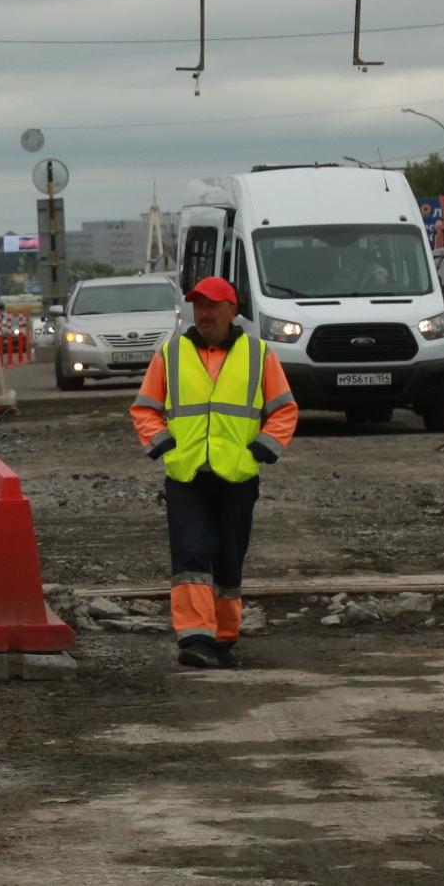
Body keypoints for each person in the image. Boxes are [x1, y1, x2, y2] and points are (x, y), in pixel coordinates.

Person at [129, 276, 296, 669]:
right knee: (190, 553)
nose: (203, 314)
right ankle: (195, 637)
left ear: (232, 309)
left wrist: (263, 449)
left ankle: (222, 636)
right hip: (186, 476)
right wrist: (164, 446)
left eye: (212, 306)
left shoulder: (259, 354)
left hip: (237, 476)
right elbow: (145, 408)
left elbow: (284, 409)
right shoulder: (171, 354)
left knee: (228, 558)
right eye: (198, 306)